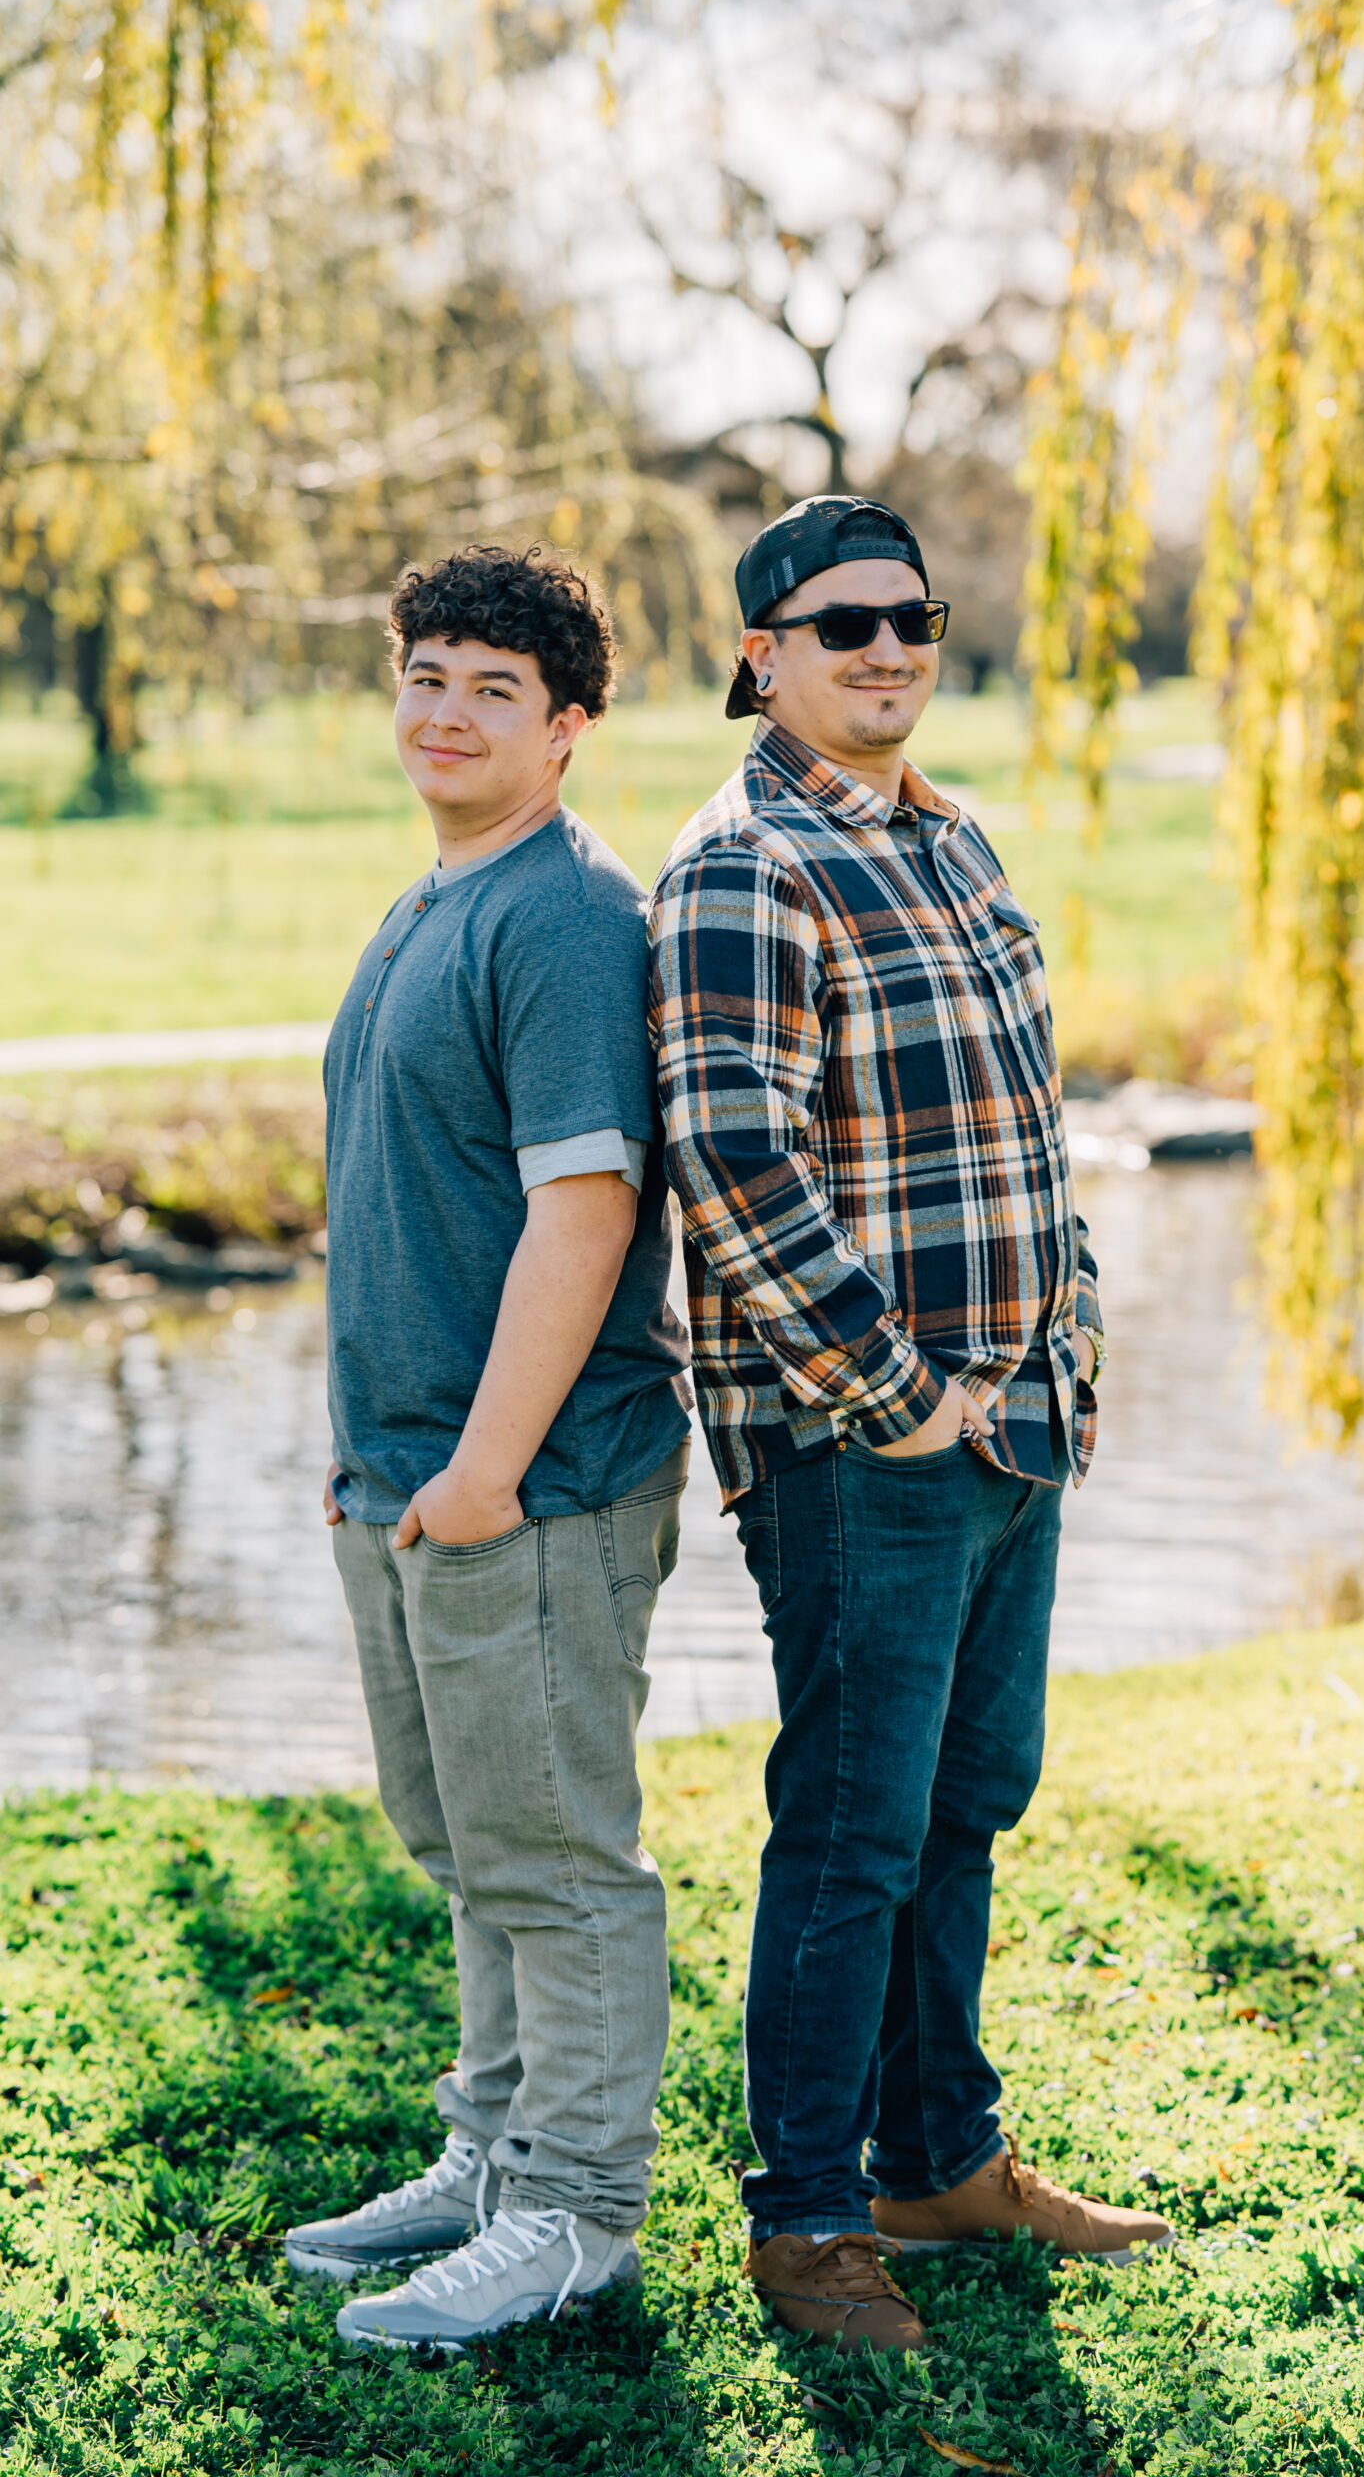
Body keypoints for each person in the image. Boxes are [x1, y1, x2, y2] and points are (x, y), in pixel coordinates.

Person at [647, 496, 1173, 2355]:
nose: (887, 649)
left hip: (1016, 1425)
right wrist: (902, 1397)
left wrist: (1065, 1344)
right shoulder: (744, 868)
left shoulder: (953, 843)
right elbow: (730, 1158)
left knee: (967, 1805)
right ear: (760, 658)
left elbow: (1031, 1130)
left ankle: (937, 2163)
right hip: (864, 1450)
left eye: (914, 618)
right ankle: (803, 2219)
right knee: (854, 1830)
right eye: (842, 624)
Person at [286, 543, 693, 2349]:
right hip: (412, 1479)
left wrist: (477, 1474)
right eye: (427, 675)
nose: (447, 712)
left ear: (572, 728)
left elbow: (587, 1214)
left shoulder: (561, 918)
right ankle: (498, 2152)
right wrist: (379, 1454)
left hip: (530, 1484)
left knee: (558, 1856)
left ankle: (580, 2213)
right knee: (469, 1843)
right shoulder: (433, 896)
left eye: (494, 689)